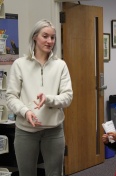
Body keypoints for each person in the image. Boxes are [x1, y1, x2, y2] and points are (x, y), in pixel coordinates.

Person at [6, 19, 73, 176]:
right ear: (35, 36)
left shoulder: (60, 65)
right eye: (45, 36)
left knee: (55, 173)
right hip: (25, 130)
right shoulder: (19, 64)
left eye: (53, 37)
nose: (50, 41)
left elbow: (68, 97)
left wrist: (49, 99)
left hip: (54, 130)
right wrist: (25, 111)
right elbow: (11, 96)